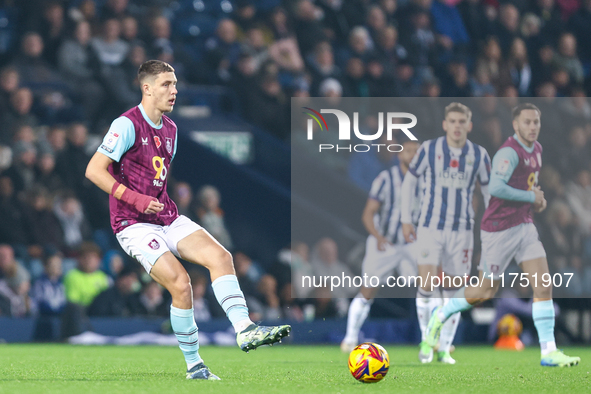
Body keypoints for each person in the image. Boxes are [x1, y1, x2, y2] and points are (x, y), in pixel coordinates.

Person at [85, 60, 290, 380]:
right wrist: (135, 198)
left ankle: (245, 329)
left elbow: (155, 177)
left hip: (167, 216)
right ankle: (195, 365)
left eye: (175, 83)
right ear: (147, 88)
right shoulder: (126, 124)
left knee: (221, 256)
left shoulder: (171, 129)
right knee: (181, 284)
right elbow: (94, 170)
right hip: (132, 223)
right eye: (166, 84)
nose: (174, 90)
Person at [424, 103, 580, 367]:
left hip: (525, 227)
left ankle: (548, 352)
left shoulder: (538, 150)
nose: (532, 127)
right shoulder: (508, 152)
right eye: (527, 122)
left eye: (536, 122)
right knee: (485, 290)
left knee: (543, 284)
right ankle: (441, 314)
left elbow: (525, 185)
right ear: (515, 125)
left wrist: (535, 201)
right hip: (499, 230)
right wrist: (531, 196)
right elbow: (496, 187)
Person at [401, 102, 491, 364]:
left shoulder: (479, 154)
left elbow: (488, 195)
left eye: (462, 122)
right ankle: (427, 342)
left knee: (456, 292)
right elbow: (410, 182)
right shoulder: (429, 149)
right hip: (430, 227)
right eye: (452, 121)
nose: (457, 126)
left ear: (469, 126)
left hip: (462, 230)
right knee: (427, 285)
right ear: (445, 124)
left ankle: (444, 348)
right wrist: (407, 219)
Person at [341, 139, 420, 352]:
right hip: (384, 242)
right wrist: (377, 236)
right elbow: (368, 213)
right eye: (409, 150)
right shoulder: (386, 178)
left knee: (429, 288)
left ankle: (435, 340)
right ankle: (349, 338)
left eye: (417, 151)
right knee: (368, 289)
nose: (413, 155)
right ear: (400, 154)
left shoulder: (426, 183)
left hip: (411, 244)